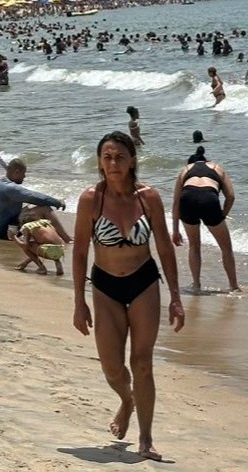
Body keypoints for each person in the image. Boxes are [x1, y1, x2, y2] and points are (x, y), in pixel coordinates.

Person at [72, 132, 184, 461]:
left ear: (132, 160)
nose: (113, 163)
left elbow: (164, 246)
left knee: (142, 363)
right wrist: (79, 302)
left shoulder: (148, 197)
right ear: (99, 162)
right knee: (112, 368)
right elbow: (79, 253)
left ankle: (146, 440)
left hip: (144, 282)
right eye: (107, 157)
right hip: (105, 286)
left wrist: (175, 296)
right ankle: (127, 400)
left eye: (120, 157)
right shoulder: (91, 199)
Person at [170, 140, 238, 292]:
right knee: (226, 248)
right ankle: (233, 286)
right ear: (207, 161)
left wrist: (175, 231)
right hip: (209, 199)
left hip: (187, 200)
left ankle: (196, 284)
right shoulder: (216, 167)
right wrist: (222, 216)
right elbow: (231, 196)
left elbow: (175, 203)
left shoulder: (185, 169)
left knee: (194, 246)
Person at [0, 158, 68, 241]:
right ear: (17, 172)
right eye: (23, 173)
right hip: (4, 232)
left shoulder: (0, 183)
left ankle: (49, 236)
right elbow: (34, 197)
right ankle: (67, 239)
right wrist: (57, 202)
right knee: (44, 209)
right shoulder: (10, 188)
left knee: (32, 207)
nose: (24, 176)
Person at [15, 204, 67, 274]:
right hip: (60, 251)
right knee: (44, 243)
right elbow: (35, 250)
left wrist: (13, 237)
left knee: (27, 247)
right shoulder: (45, 222)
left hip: (49, 251)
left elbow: (26, 245)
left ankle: (42, 268)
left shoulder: (27, 226)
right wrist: (25, 263)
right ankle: (58, 264)